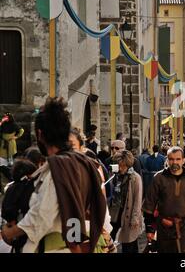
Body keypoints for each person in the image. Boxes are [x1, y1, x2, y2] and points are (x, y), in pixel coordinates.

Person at [0, 97, 106, 253]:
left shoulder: (58, 168)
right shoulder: (84, 163)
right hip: (78, 243)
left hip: (55, 247)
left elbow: (42, 215)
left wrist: (11, 232)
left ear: (40, 134)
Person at [143, 146, 185, 253]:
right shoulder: (159, 178)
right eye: (171, 159)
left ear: (183, 160)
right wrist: (149, 228)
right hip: (165, 226)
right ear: (167, 160)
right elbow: (149, 205)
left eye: (178, 159)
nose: (175, 162)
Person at [109, 150, 143, 253]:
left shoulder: (135, 178)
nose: (120, 168)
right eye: (119, 165)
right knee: (108, 240)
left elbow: (138, 200)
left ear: (128, 165)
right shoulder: (115, 176)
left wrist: (135, 218)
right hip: (115, 213)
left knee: (129, 244)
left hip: (128, 214)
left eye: (123, 166)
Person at [1, 159, 37, 252]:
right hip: (31, 238)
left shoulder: (10, 189)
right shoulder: (32, 188)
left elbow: (6, 214)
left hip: (15, 239)